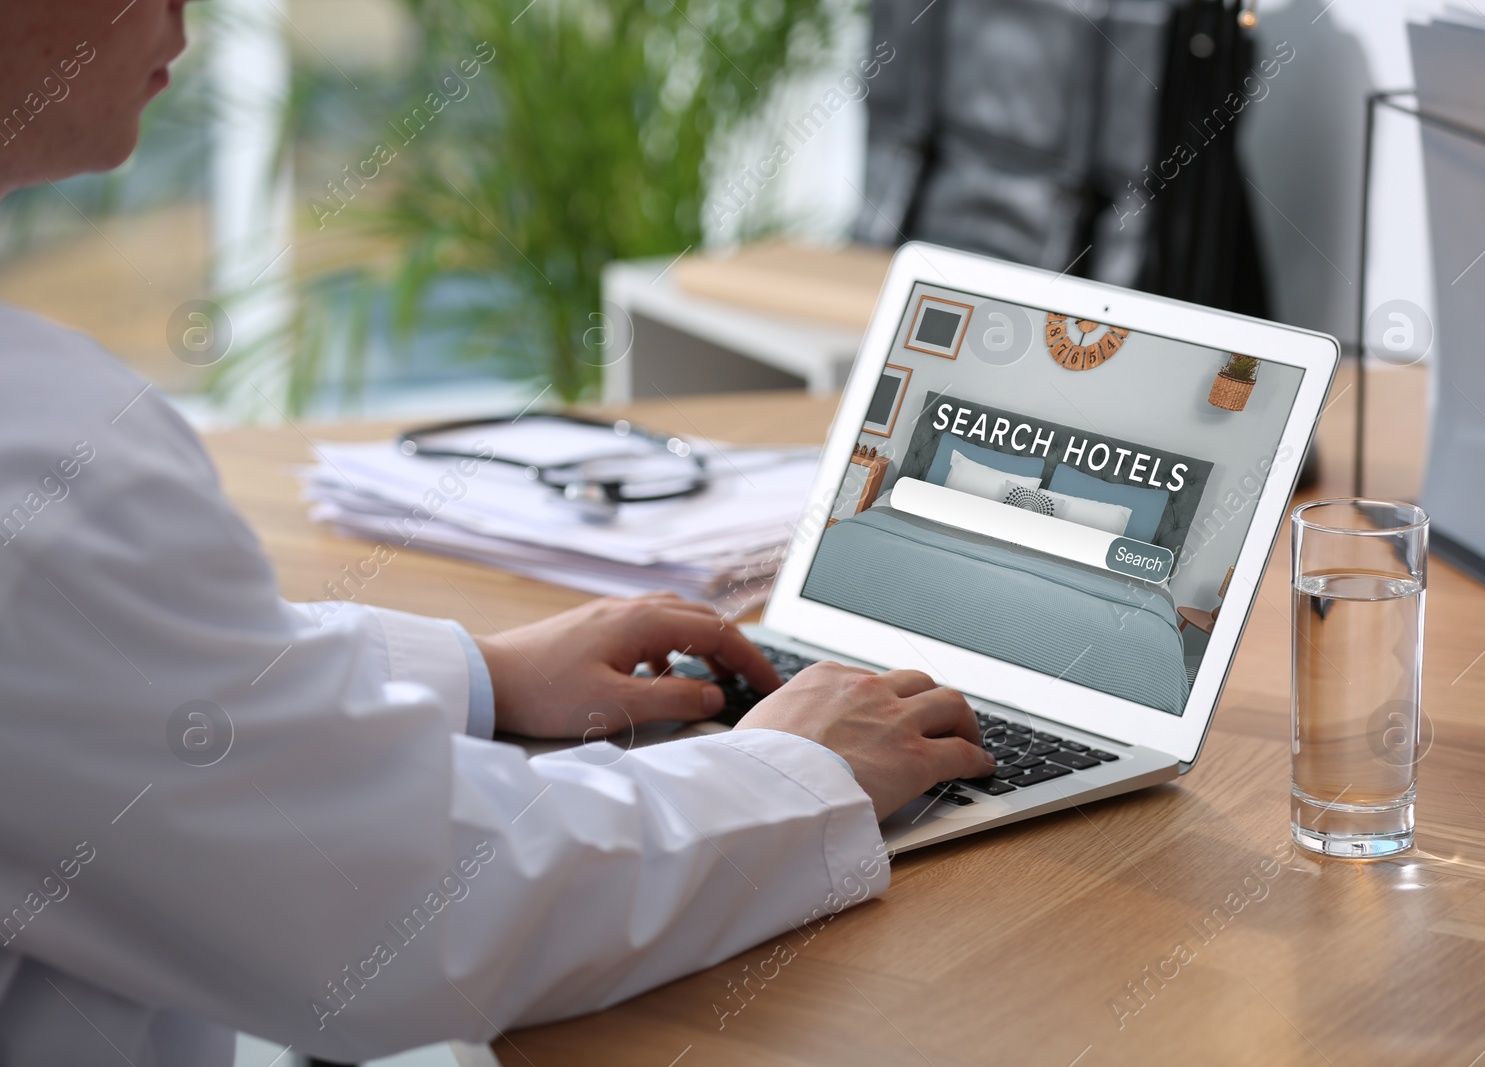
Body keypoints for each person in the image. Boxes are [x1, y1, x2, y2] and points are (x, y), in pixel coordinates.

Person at [0, 3, 994, 1064]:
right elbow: (405, 916)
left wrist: (474, 672)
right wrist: (793, 771)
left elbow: (107, 680)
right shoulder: (47, 463)